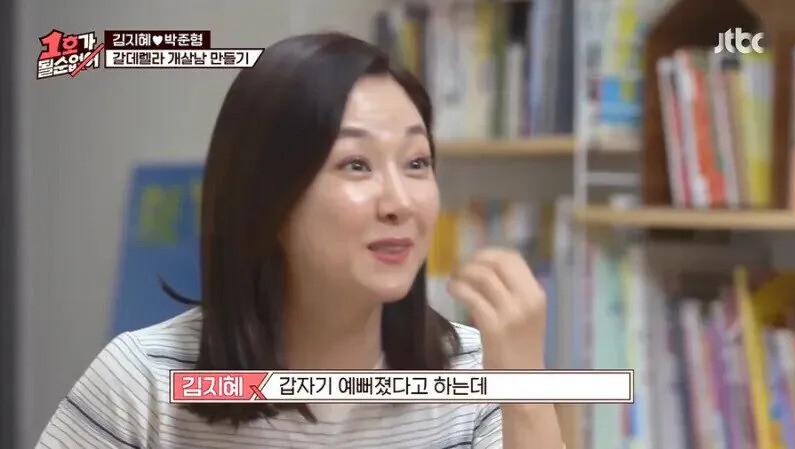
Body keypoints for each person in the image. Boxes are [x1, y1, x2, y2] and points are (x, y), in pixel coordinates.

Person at [36, 32, 564, 448]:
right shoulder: (141, 383)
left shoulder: (474, 375)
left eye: (417, 162)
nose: (400, 202)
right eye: (356, 164)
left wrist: (525, 392)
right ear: (268, 198)